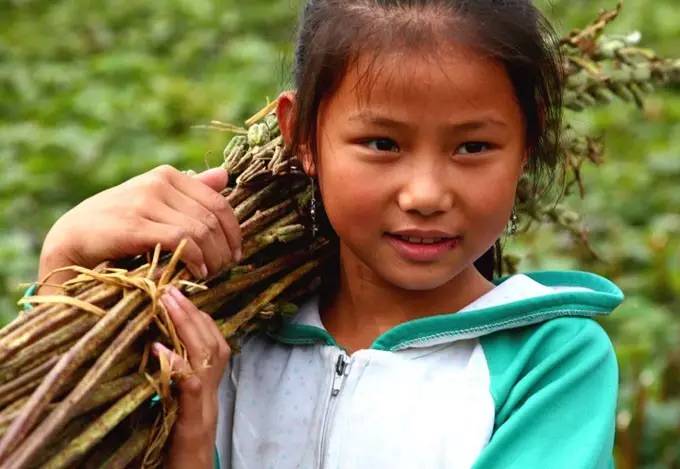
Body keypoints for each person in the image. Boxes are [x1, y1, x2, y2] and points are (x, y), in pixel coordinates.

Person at [36, 0, 625, 467]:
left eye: (473, 147)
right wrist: (63, 261)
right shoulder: (230, 344)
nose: (425, 194)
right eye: (382, 144)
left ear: (528, 142)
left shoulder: (549, 362)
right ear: (303, 136)